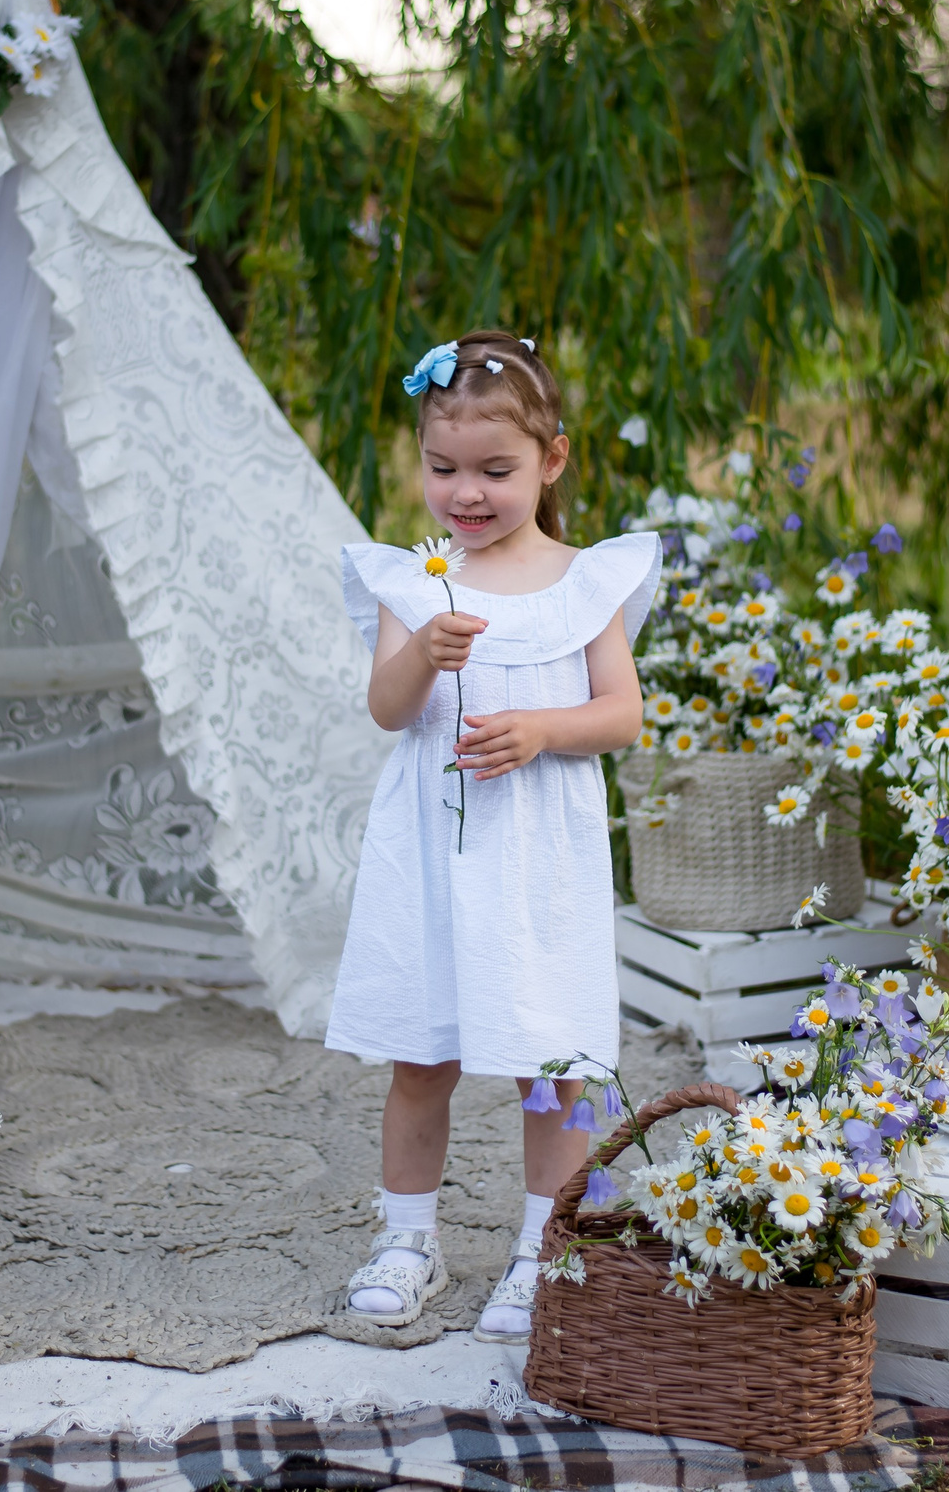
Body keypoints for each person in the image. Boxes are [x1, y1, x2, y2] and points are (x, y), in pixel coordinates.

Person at [324, 330, 659, 1342]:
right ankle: (407, 1239)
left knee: (549, 1061)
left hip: (537, 857)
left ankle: (540, 1249)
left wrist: (544, 729)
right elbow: (388, 709)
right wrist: (422, 654)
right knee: (419, 1054)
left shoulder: (583, 580)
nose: (465, 493)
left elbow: (622, 713)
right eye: (443, 468)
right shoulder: (417, 580)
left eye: (494, 470)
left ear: (551, 460)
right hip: (431, 852)